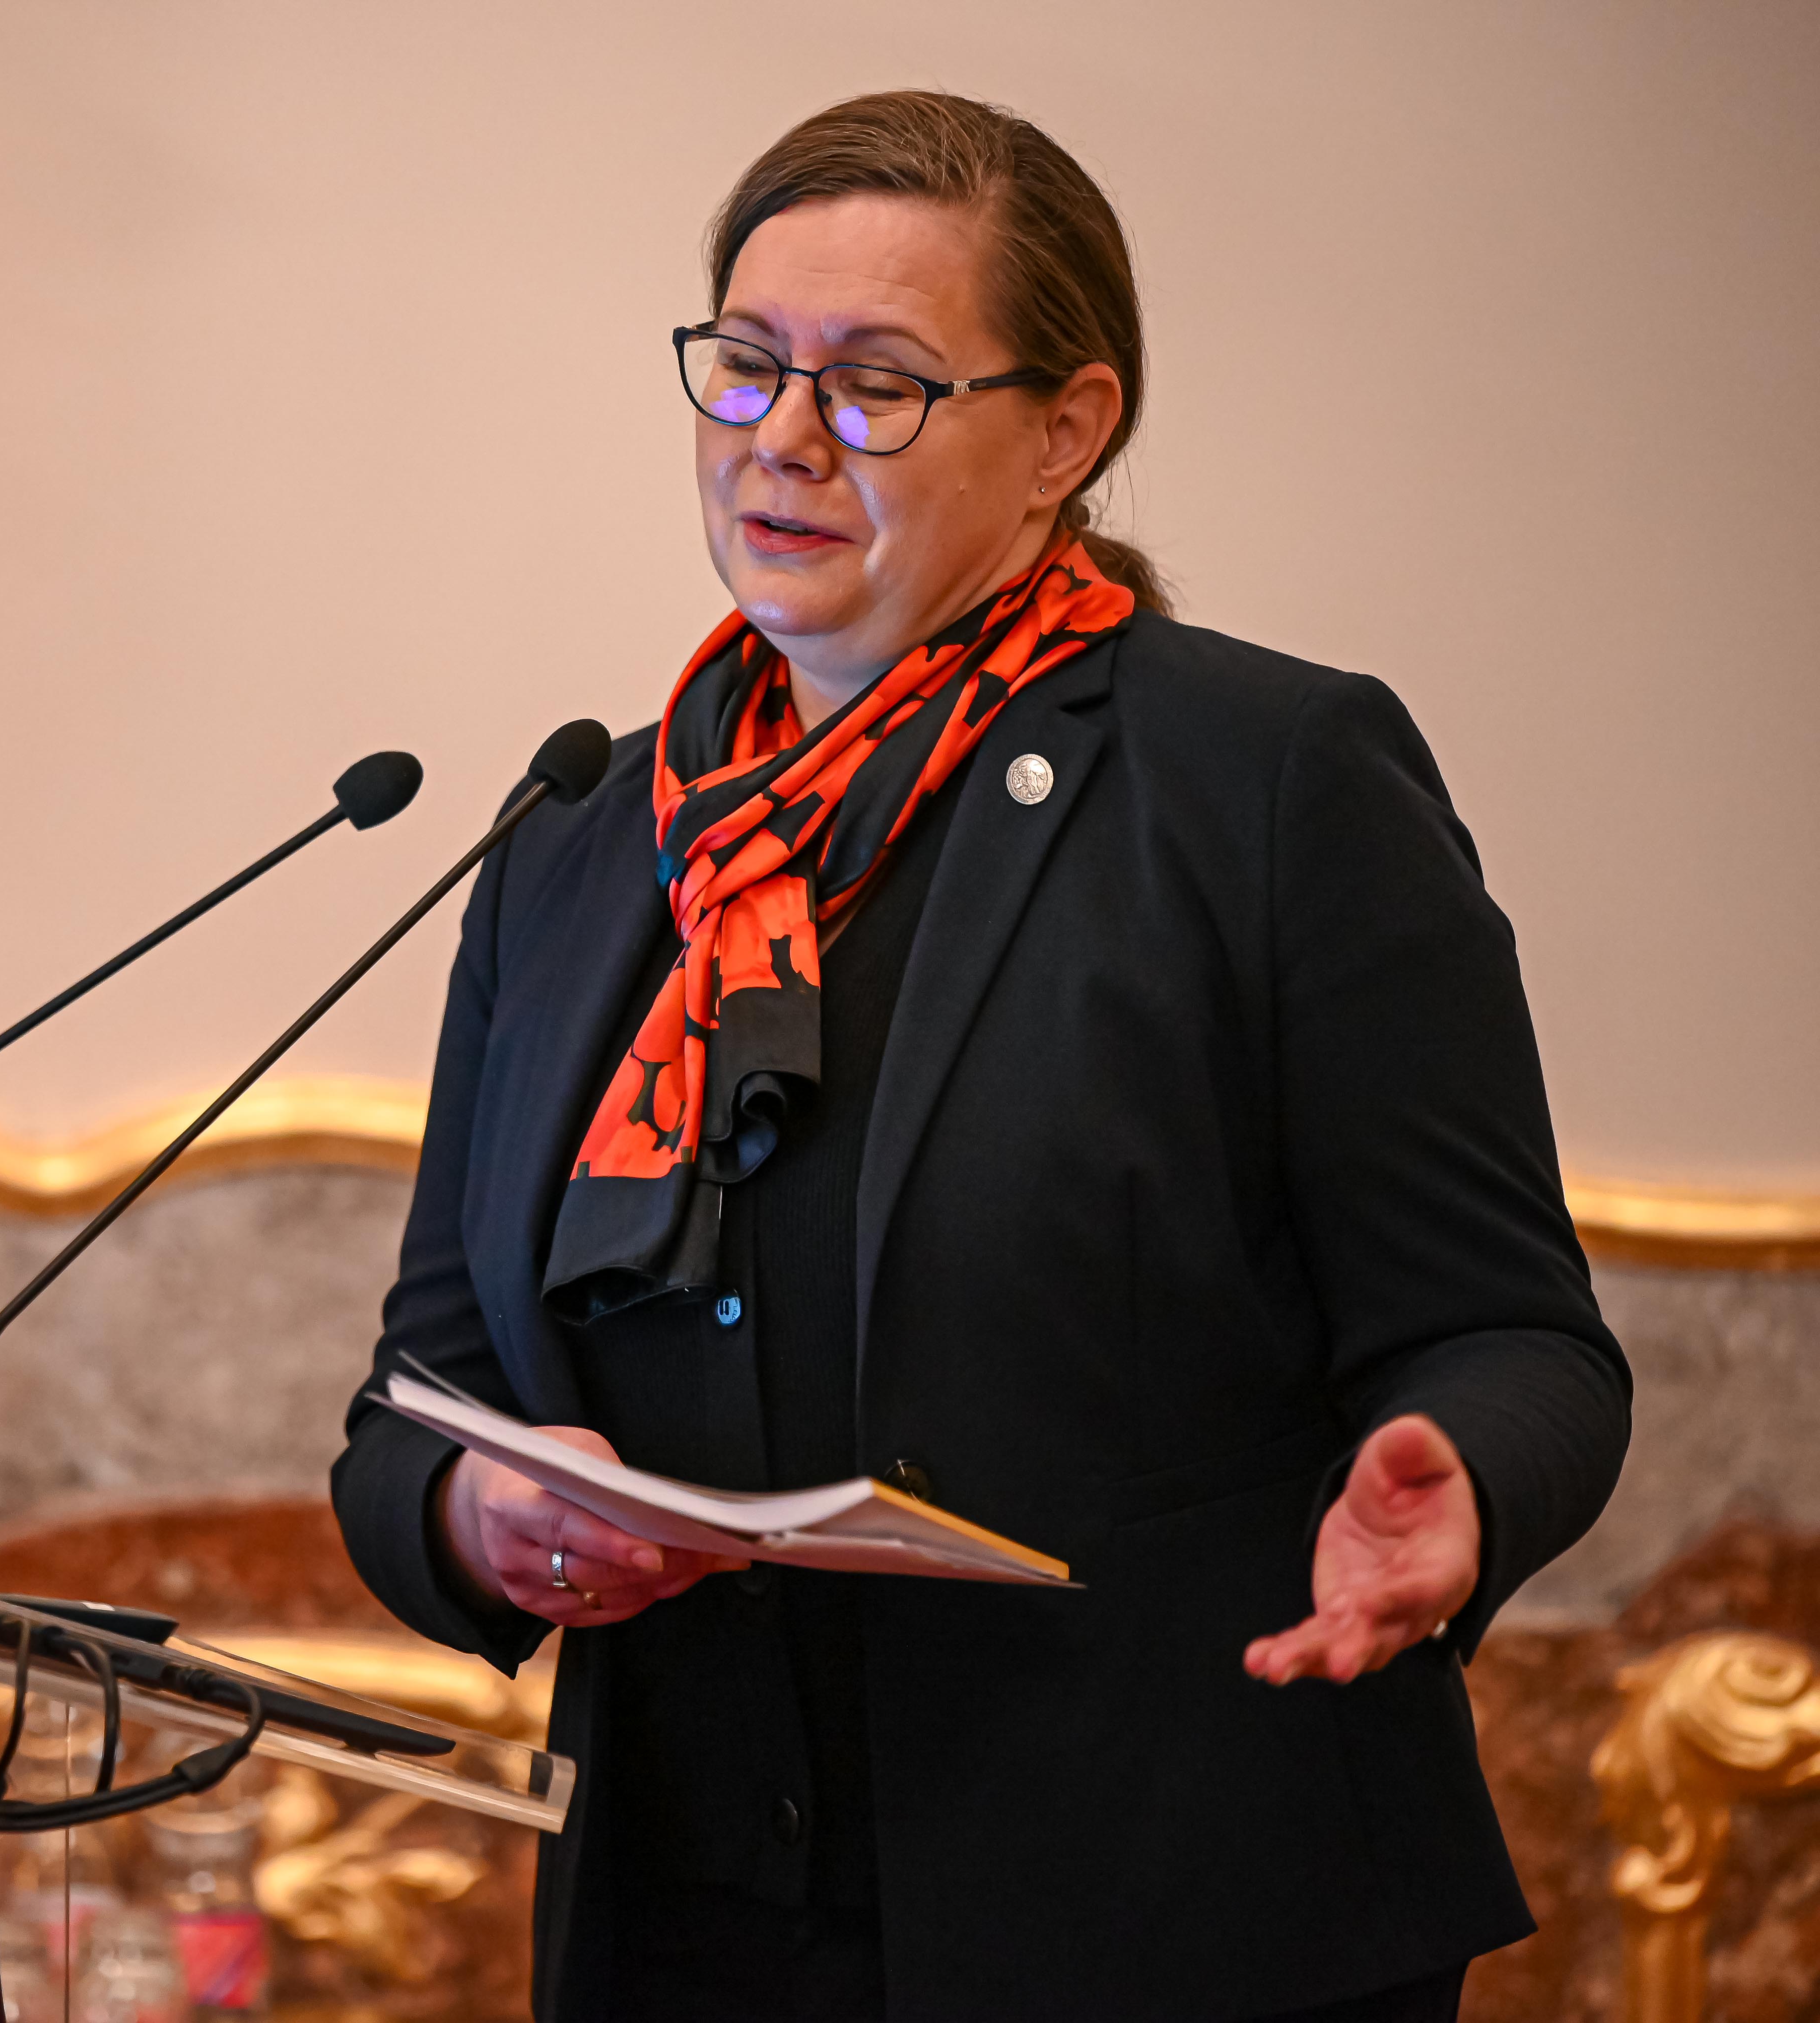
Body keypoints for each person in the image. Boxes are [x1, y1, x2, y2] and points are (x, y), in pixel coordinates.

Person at [329, 89, 1628, 2023]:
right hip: (689, 1930)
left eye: (876, 385)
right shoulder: (587, 841)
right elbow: (412, 1412)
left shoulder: (1266, 786)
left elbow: (1519, 1340)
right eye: (747, 364)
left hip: (1171, 1920)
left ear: (1066, 434)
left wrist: (1463, 1493)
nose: (782, 435)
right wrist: (481, 1520)